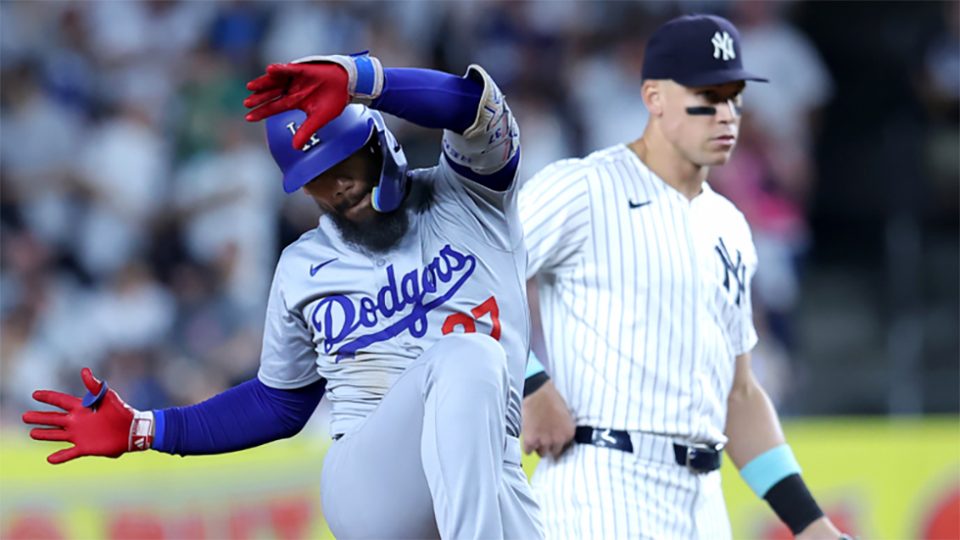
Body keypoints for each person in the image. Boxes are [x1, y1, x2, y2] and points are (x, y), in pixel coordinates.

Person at [23, 51, 543, 540]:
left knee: (475, 375)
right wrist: (148, 428)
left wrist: (366, 79)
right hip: (371, 479)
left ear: (378, 141)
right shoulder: (304, 266)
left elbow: (470, 107)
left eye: (344, 159)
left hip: (487, 469)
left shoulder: (472, 194)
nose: (337, 184)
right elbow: (279, 403)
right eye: (315, 177)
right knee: (469, 354)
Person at [518, 14, 848, 540]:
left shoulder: (730, 225)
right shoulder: (582, 189)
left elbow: (738, 395)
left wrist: (809, 523)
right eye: (707, 95)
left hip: (702, 502)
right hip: (601, 487)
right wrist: (530, 384)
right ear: (654, 97)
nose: (727, 114)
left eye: (734, 95)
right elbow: (471, 277)